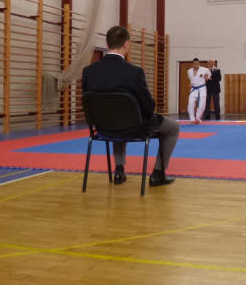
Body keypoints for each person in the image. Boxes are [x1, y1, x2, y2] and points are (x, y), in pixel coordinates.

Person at [82, 25, 179, 187]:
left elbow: (89, 102)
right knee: (173, 127)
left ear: (107, 44)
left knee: (115, 115)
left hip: (103, 128)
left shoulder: (88, 71)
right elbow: (148, 107)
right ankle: (158, 173)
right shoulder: (134, 72)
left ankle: (119, 170)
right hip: (132, 127)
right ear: (126, 44)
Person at [187, 58, 211, 124]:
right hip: (193, 89)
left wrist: (207, 78)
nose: (196, 65)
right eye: (195, 64)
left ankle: (197, 118)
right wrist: (191, 83)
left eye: (197, 64)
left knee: (202, 105)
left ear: (199, 63)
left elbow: (209, 77)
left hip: (202, 88)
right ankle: (192, 119)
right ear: (192, 64)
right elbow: (191, 79)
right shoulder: (189, 71)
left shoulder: (205, 70)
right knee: (190, 103)